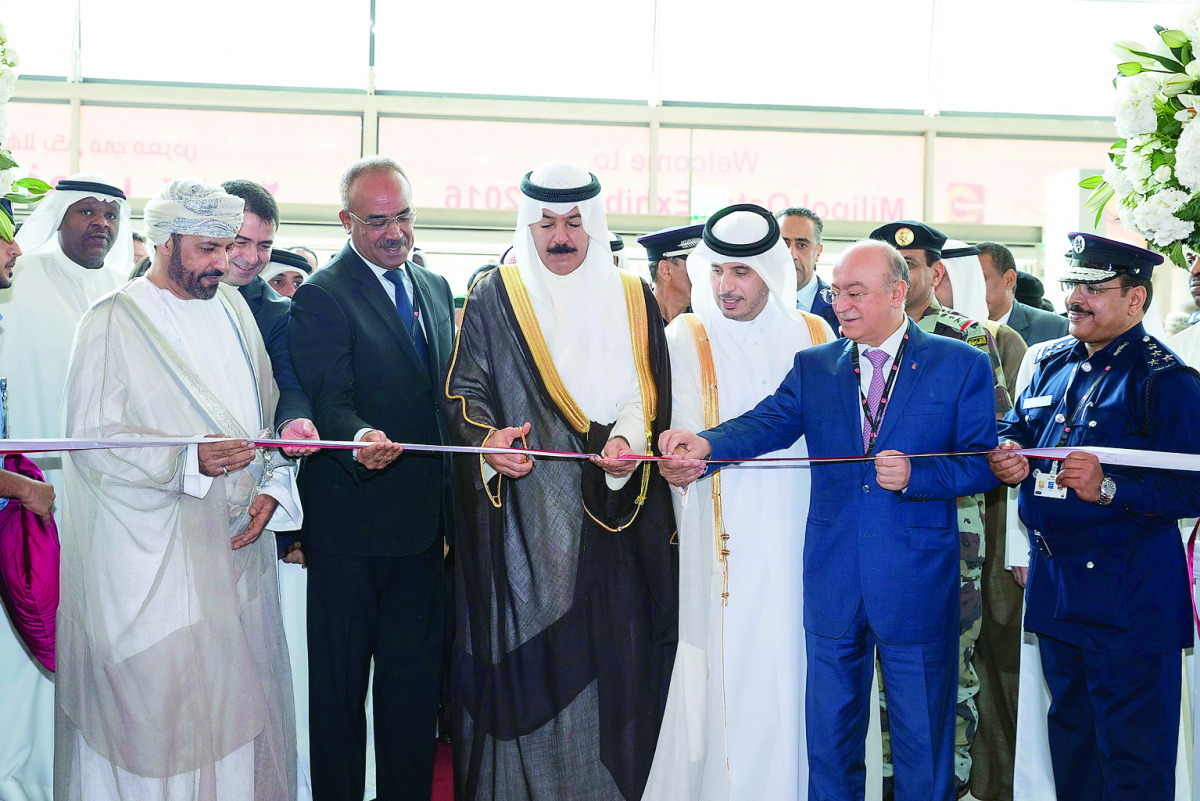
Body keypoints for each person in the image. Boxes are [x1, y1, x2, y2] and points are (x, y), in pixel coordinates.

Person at [660, 237, 997, 801]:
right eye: (837, 291)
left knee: (923, 746)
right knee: (831, 745)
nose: (840, 304)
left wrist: (920, 476)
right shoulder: (817, 366)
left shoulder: (960, 363)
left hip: (914, 583)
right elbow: (767, 422)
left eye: (856, 293)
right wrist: (704, 445)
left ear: (897, 293)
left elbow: (981, 464)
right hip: (833, 581)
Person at [56, 178, 303, 800]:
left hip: (236, 553)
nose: (225, 264)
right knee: (160, 721)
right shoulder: (113, 320)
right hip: (152, 566)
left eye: (228, 248)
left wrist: (274, 482)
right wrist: (187, 460)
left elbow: (265, 417)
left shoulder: (234, 309)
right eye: (208, 250)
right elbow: (90, 441)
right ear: (165, 242)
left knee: (236, 717)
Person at [444, 162, 676, 800]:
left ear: (594, 225)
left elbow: (645, 391)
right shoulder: (497, 293)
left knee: (608, 658)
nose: (560, 237)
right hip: (524, 514)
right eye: (545, 223)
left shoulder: (631, 295)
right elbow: (465, 390)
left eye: (574, 222)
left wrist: (628, 440)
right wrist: (488, 442)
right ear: (528, 225)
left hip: (612, 508)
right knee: (529, 659)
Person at [989, 233, 1200, 801]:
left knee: (1132, 762)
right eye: (1071, 284)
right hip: (1059, 591)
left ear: (1136, 300)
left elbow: (1191, 489)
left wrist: (1108, 486)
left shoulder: (1165, 381)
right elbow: (1018, 429)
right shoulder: (1051, 362)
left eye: (1093, 287)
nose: (1075, 298)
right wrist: (1007, 457)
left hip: (1129, 601)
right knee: (1074, 751)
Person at [645, 204, 833, 799]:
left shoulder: (815, 335)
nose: (727, 286)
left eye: (742, 273)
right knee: (735, 670)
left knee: (805, 670)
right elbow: (672, 430)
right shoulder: (684, 335)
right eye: (719, 271)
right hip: (720, 539)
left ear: (772, 272)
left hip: (805, 534)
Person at [288, 156, 456, 801]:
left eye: (404, 216)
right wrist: (358, 438)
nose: (395, 232)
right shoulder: (323, 294)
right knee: (339, 693)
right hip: (351, 525)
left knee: (412, 694)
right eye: (377, 220)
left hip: (424, 532)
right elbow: (327, 396)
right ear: (346, 221)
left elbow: (446, 396)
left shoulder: (436, 287)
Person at [0, 174, 131, 801]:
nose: (100, 223)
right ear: (57, 216)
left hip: (101, 503)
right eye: (85, 211)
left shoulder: (121, 291)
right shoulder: (23, 280)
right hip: (23, 499)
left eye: (110, 213)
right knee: (21, 634)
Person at [870, 220, 1010, 796]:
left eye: (918, 266)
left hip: (954, 538)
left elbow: (993, 444)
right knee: (875, 679)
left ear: (933, 272)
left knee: (948, 677)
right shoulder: (851, 336)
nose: (910, 278)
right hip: (878, 534)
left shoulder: (971, 340)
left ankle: (944, 785)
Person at [939, 239, 1028, 801]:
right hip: (917, 537)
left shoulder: (990, 341)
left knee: (973, 669)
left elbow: (1007, 444)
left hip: (981, 532)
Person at [977, 241, 1068, 346]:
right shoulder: (958, 328)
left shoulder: (1055, 328)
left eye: (980, 279)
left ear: (1009, 280)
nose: (972, 288)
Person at [777, 206, 838, 332]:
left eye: (802, 245)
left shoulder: (839, 306)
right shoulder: (752, 303)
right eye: (784, 244)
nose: (791, 255)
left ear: (818, 252)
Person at [639, 222, 703, 324]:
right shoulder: (635, 320)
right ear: (666, 270)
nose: (702, 274)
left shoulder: (705, 322)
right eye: (694, 265)